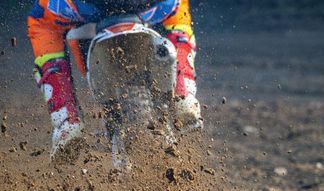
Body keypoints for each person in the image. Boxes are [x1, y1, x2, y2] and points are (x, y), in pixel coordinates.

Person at [27, 0, 202, 160]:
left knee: (41, 20)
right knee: (179, 13)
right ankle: (183, 93)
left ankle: (66, 121)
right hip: (148, 4)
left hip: (91, 6)